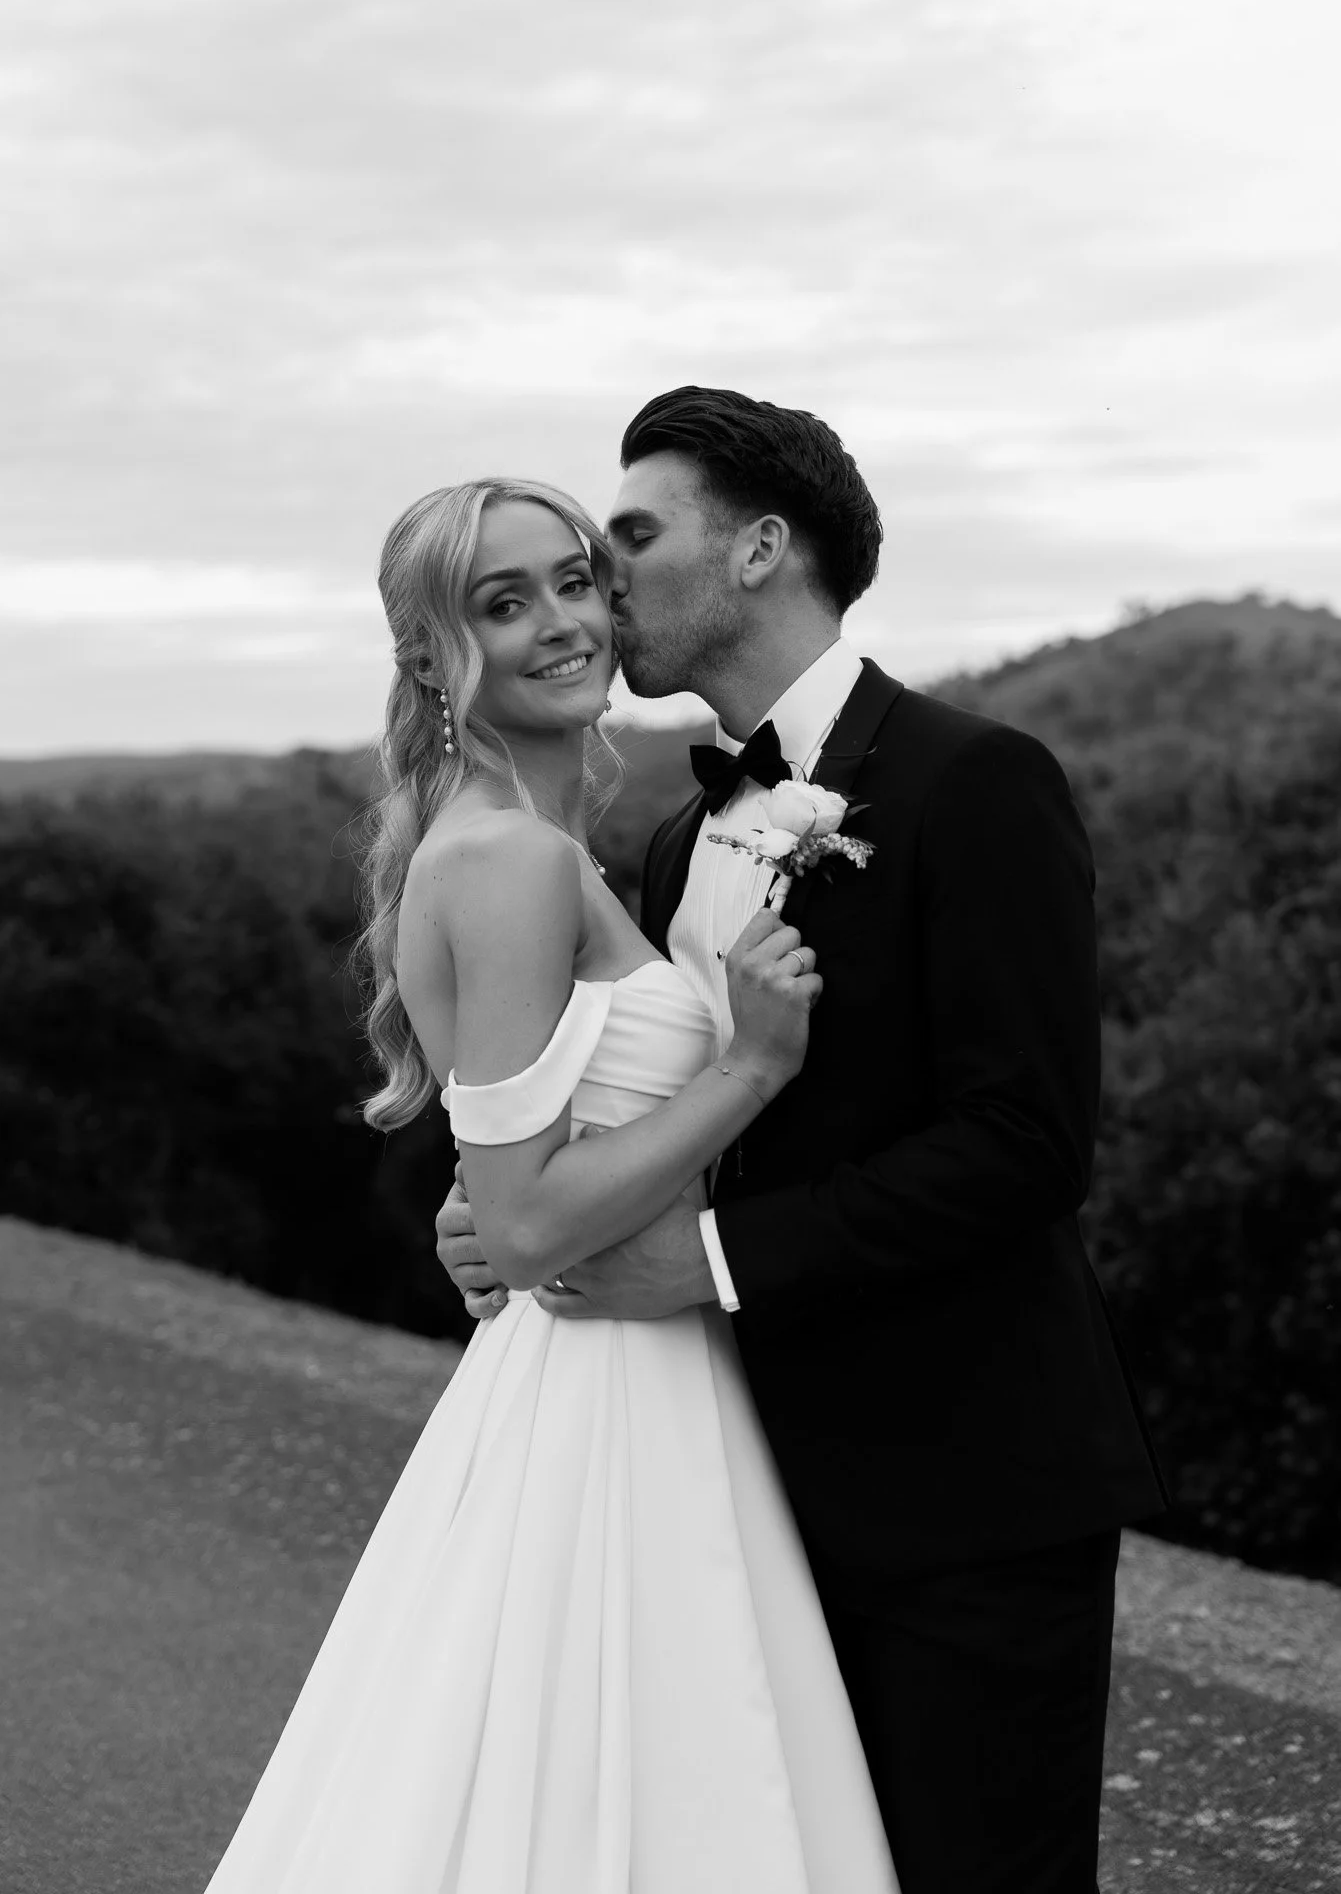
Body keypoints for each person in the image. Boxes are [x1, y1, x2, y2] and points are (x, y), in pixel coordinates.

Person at [438, 389, 1169, 1894]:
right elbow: (653, 1122)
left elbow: (1024, 1144)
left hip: (964, 1498)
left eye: (632, 537)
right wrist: (522, 1220)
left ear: (762, 546)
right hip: (727, 1495)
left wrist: (700, 1260)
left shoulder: (978, 783)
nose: (605, 573)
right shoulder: (664, 837)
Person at [202, 474, 900, 1893]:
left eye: (574, 581)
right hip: (608, 1392)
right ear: (430, 656)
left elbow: (511, 1183)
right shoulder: (513, 861)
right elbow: (522, 1224)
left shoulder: (528, 847)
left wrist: (513, 1206)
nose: (562, 623)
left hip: (625, 1373)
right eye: (501, 603)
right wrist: (750, 1067)